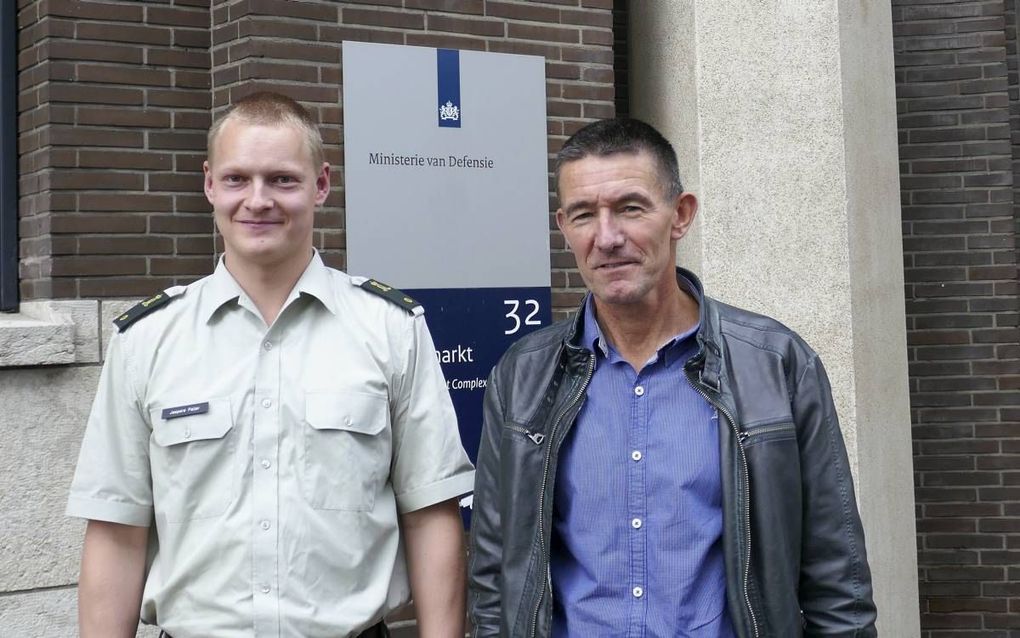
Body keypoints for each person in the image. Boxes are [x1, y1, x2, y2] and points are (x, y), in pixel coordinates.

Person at [66, 91, 475, 638]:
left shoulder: (391, 330)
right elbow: (118, 530)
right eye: (237, 179)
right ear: (210, 184)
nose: (257, 200)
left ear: (321, 185)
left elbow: (431, 516)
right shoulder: (147, 340)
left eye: (282, 179)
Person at [468, 118, 877, 637]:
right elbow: (493, 579)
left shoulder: (776, 364)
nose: (607, 237)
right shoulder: (522, 376)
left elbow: (835, 576)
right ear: (563, 227)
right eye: (583, 215)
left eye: (630, 208)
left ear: (680, 215)